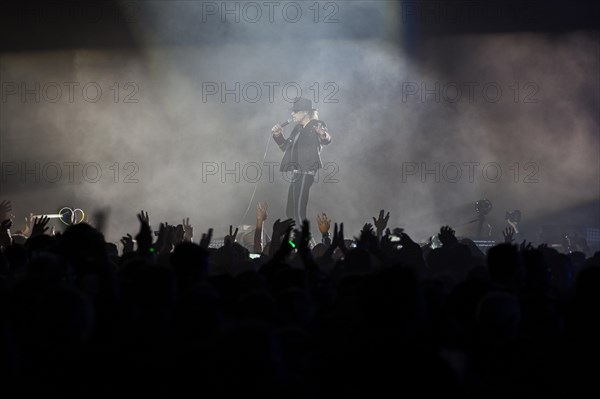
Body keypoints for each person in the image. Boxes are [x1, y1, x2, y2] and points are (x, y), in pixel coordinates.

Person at [271, 97, 331, 223]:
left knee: (298, 211)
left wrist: (322, 134)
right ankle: (295, 237)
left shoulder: (316, 124)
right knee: (290, 211)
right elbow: (286, 148)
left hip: (306, 172)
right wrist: (278, 135)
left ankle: (304, 239)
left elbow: (326, 140)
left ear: (305, 112)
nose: (292, 114)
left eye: (295, 111)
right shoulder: (297, 129)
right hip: (297, 173)